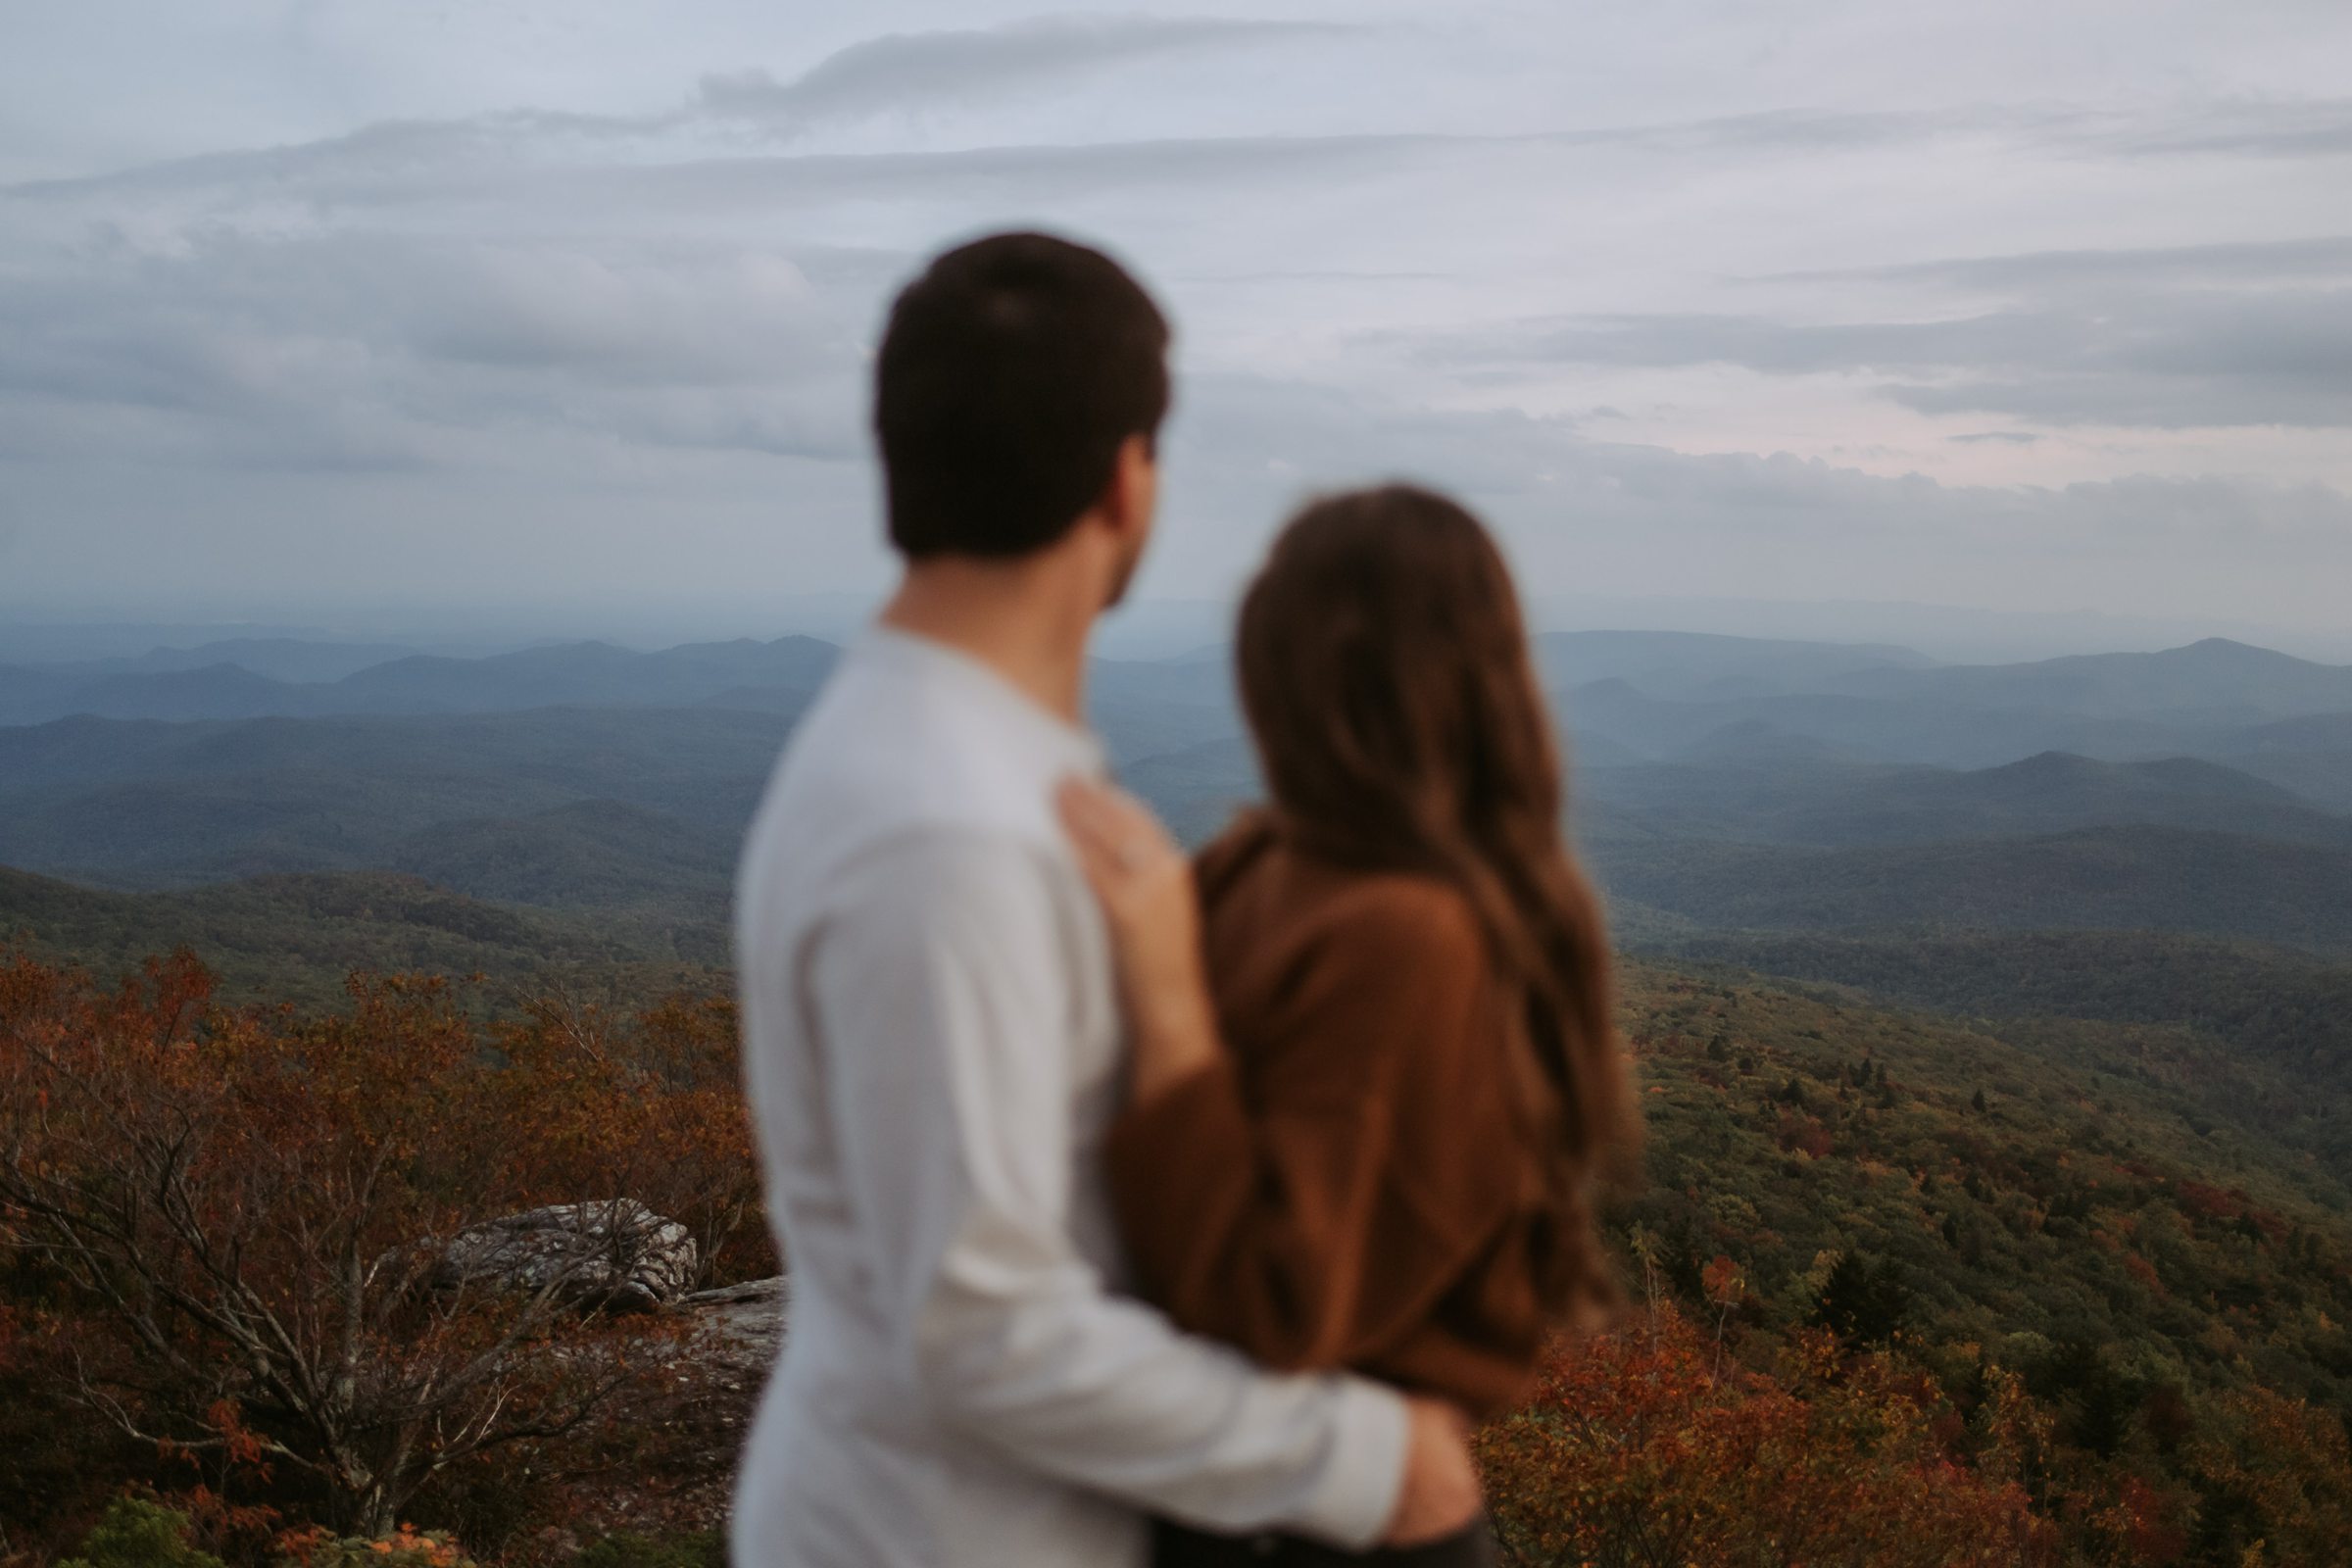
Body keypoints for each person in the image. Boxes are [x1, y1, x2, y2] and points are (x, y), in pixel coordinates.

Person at [730, 234, 1484, 1568]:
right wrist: (1370, 1466)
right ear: (1128, 480)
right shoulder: (947, 827)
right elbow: (983, 1330)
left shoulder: (943, 755)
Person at [1055, 484, 1642, 1567]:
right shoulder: (1269, 859)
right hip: (1255, 1491)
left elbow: (1278, 1305)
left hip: (1336, 1523)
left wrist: (1171, 1008)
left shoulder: (1412, 933)